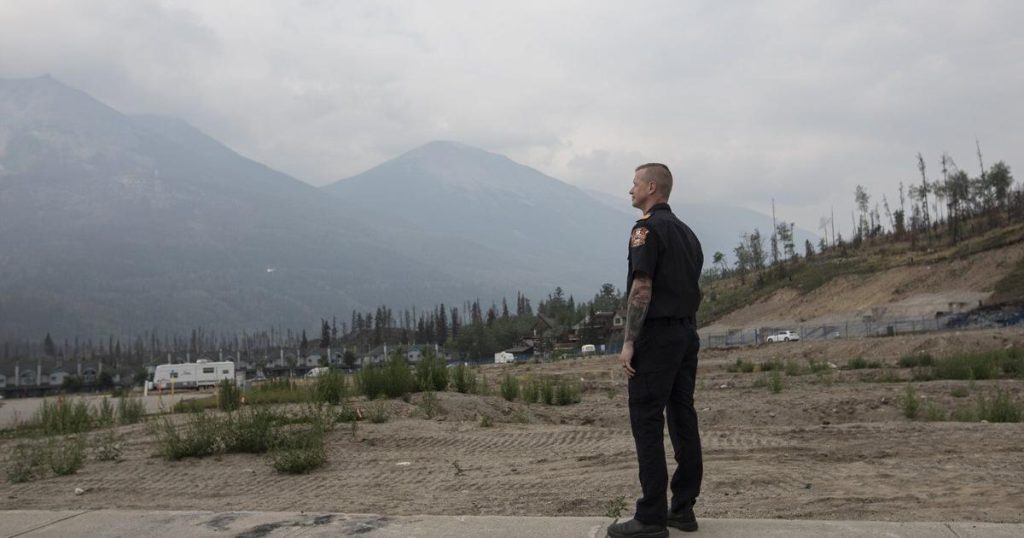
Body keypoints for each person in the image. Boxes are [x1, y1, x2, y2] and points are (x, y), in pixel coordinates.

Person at [607, 163, 704, 538]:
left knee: (646, 420)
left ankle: (650, 516)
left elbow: (641, 288)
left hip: (658, 337)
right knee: (683, 418)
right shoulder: (688, 234)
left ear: (651, 187)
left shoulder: (645, 230)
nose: (630, 190)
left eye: (634, 183)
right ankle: (683, 509)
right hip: (686, 334)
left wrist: (629, 341)